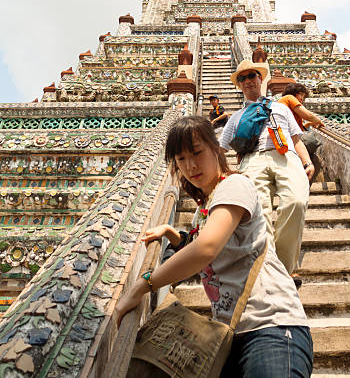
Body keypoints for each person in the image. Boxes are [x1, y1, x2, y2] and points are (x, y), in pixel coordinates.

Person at [115, 116, 313, 377]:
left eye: (197, 152)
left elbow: (207, 248)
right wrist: (173, 235)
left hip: (272, 327)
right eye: (180, 159)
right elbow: (200, 248)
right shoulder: (205, 207)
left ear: (216, 148)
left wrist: (144, 284)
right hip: (231, 335)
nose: (190, 165)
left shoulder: (235, 185)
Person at [219, 60, 312, 278]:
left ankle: (282, 266)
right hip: (253, 160)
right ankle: (272, 271)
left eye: (252, 76)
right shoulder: (235, 117)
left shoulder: (281, 108)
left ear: (261, 79)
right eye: (242, 78)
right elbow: (220, 150)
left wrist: (307, 161)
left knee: (297, 202)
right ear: (239, 85)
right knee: (258, 213)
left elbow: (297, 139)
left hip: (286, 156)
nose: (248, 81)